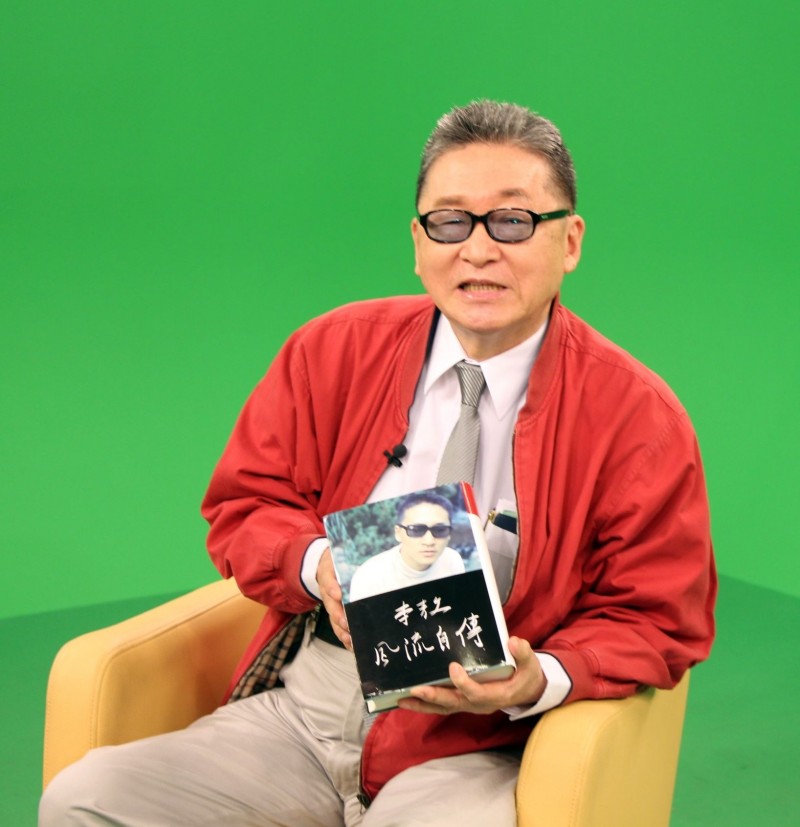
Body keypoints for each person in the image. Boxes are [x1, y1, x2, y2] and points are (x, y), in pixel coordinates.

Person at [40, 100, 717, 827]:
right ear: (418, 242)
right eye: (450, 222)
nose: (478, 250)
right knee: (86, 800)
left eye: (512, 221)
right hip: (309, 711)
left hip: (481, 742)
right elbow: (245, 503)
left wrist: (539, 677)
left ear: (570, 240)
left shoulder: (638, 417)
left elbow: (656, 614)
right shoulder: (331, 351)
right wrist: (318, 565)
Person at [346, 492, 466, 602]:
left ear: (449, 534)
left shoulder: (452, 560)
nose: (429, 541)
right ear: (398, 533)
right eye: (416, 530)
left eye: (440, 530)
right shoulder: (370, 576)